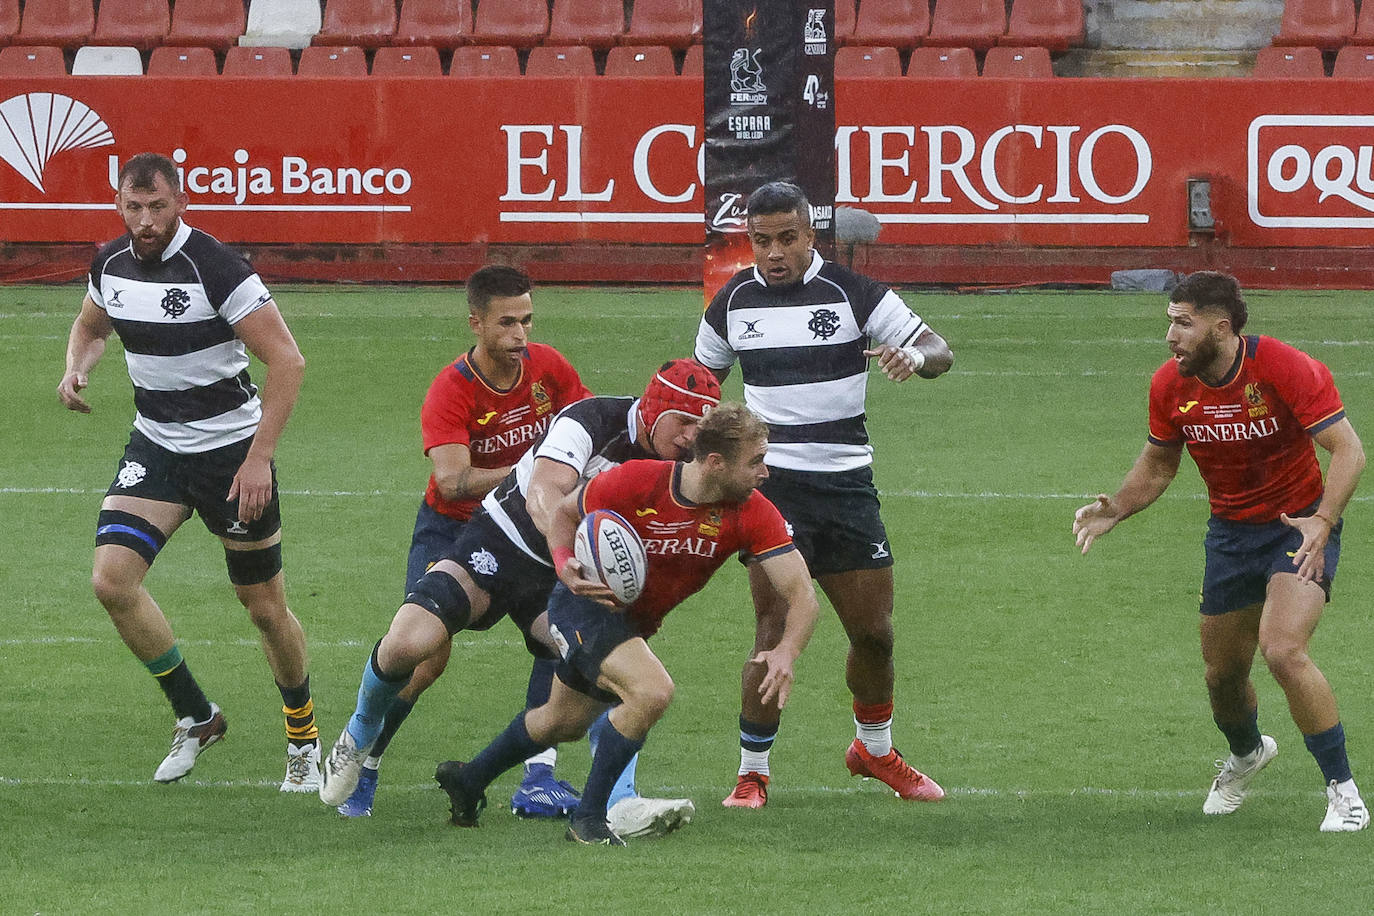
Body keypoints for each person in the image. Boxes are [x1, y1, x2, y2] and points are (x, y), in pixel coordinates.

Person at [321, 360, 719, 837]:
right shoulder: (588, 419)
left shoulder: (680, 465)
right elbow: (542, 490)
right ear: (654, 408)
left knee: (618, 673)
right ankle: (359, 734)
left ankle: (619, 801)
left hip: (563, 579)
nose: (692, 436)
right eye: (685, 421)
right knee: (410, 642)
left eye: (703, 425)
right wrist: (565, 551)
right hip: (501, 542)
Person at [434, 403, 820, 846]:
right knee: (652, 690)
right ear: (715, 462)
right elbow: (564, 512)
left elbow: (802, 596)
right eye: (756, 460)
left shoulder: (751, 512)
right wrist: (563, 564)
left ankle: (468, 781)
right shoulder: (640, 480)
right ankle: (589, 820)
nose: (765, 472)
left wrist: (787, 650)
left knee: (561, 721)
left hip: (632, 625)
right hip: (582, 608)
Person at [57, 152, 318, 789]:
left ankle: (304, 736)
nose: (144, 221)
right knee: (111, 581)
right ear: (119, 206)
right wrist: (78, 365)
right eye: (133, 208)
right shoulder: (110, 263)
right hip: (157, 447)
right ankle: (196, 716)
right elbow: (92, 325)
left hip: (231, 455)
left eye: (157, 208)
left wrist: (259, 460)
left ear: (181, 205)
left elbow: (288, 363)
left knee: (263, 608)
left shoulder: (219, 268)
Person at [1072, 271, 1369, 833]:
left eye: (1183, 324)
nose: (1171, 336)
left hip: (1296, 529)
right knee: (1222, 676)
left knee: (1282, 651)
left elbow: (1349, 450)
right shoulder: (1170, 386)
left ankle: (1343, 791)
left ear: (1221, 327)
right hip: (1230, 535)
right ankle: (1248, 754)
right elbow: (1159, 465)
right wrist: (1118, 509)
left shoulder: (1282, 366)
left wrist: (1323, 521)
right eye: (1169, 323)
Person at [694, 180, 953, 808]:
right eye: (761, 241)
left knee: (875, 634)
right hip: (771, 490)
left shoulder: (853, 293)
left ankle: (874, 749)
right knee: (772, 626)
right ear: (748, 240)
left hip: (845, 486)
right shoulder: (731, 302)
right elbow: (701, 385)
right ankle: (752, 772)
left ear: (811, 234)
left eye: (787, 238)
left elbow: (939, 348)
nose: (775, 252)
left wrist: (913, 360)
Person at [337, 265, 594, 818]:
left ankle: (538, 778)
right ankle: (365, 759)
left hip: (525, 529)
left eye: (527, 321)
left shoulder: (549, 370)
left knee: (561, 634)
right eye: (507, 323)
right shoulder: (451, 389)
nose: (520, 336)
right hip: (455, 528)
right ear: (475, 323)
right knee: (424, 654)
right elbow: (452, 480)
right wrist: (532, 468)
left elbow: (587, 425)